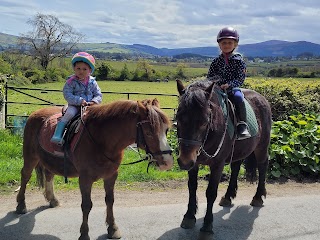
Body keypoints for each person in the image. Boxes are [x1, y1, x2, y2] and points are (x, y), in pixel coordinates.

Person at [207, 27, 251, 139]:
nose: (226, 45)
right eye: (224, 43)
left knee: (238, 97)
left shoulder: (239, 61)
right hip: (217, 88)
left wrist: (229, 84)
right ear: (219, 45)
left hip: (232, 88)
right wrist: (215, 83)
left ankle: (242, 124)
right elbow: (210, 76)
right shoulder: (216, 61)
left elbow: (240, 78)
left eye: (230, 43)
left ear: (235, 44)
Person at [51, 52, 102, 145]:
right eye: (78, 68)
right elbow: (67, 94)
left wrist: (94, 102)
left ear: (90, 70)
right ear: (74, 68)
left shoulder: (93, 82)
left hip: (90, 106)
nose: (81, 71)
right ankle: (58, 135)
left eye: (84, 69)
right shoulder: (71, 82)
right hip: (75, 105)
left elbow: (98, 94)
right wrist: (79, 101)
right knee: (70, 114)